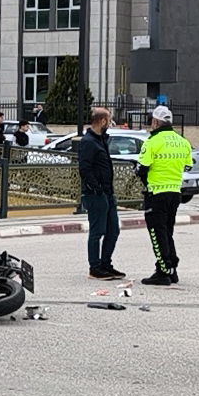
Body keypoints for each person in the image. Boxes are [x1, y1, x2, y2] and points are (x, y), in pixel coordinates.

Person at [137, 106, 192, 286]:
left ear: (155, 122)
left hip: (156, 193)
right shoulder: (182, 141)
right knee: (167, 232)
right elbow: (188, 166)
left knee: (157, 232)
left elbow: (141, 169)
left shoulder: (152, 141)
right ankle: (172, 269)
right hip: (175, 192)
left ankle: (163, 271)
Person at [78, 108, 123, 280]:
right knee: (97, 231)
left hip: (108, 192)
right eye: (109, 120)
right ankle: (95, 267)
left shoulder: (101, 139)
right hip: (96, 194)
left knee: (113, 230)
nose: (111, 123)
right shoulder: (88, 142)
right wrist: (96, 189)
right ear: (103, 121)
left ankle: (106, 264)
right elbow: (85, 169)